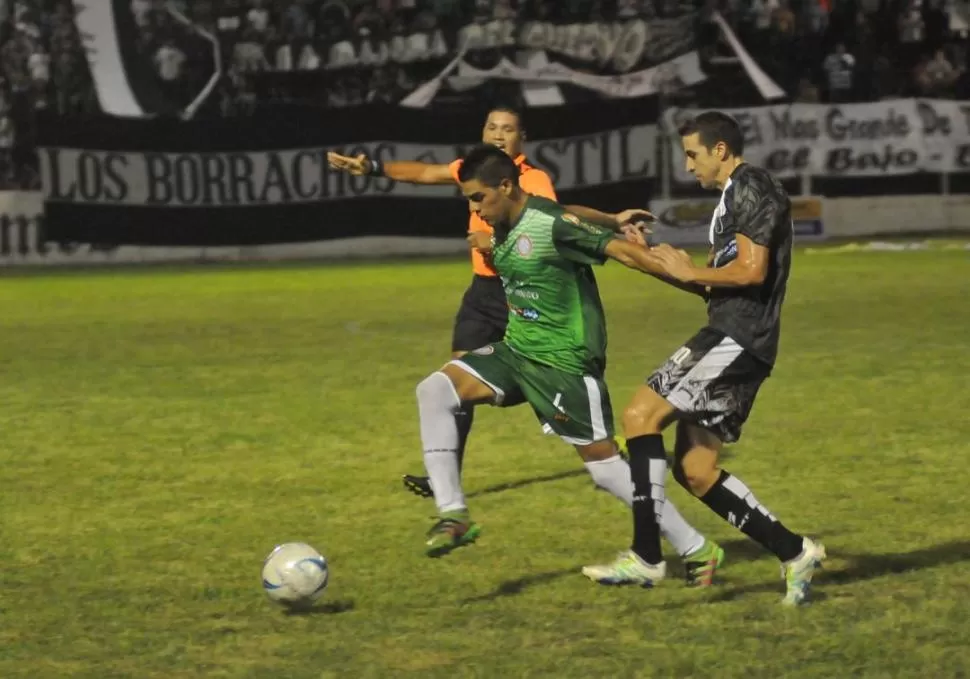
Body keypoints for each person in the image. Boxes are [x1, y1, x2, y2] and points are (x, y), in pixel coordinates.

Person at [414, 144, 724, 587]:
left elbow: (621, 252)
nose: (473, 208)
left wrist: (694, 284)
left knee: (604, 470)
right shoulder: (504, 222)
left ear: (505, 186)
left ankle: (697, 548)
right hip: (517, 352)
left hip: (564, 364)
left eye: (478, 197)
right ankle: (453, 515)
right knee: (435, 389)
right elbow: (560, 213)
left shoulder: (550, 225)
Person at [327, 107, 648, 499]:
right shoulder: (473, 170)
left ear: (522, 138)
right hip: (483, 292)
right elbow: (427, 173)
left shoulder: (531, 179)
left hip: (523, 292)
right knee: (454, 381)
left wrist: (612, 221)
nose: (498, 134)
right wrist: (373, 167)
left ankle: (606, 455)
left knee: (544, 381)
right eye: (492, 127)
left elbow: (555, 218)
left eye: (508, 129)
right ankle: (445, 478)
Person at [581, 111, 825, 606]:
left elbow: (752, 272)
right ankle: (795, 551)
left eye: (693, 154)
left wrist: (692, 272)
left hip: (737, 338)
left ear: (719, 150)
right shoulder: (732, 199)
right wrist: (654, 259)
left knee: (638, 416)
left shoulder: (750, 186)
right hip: (735, 335)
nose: (688, 164)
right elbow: (714, 283)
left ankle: (647, 555)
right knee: (695, 469)